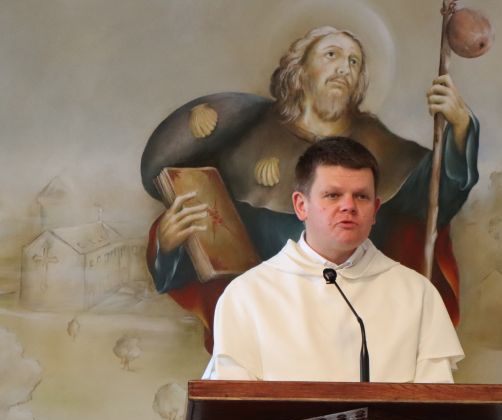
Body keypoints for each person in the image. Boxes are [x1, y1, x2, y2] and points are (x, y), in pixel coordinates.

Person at [140, 26, 479, 350]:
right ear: (299, 72)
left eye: (353, 62)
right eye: (331, 55)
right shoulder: (248, 138)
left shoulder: (382, 147)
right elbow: (212, 235)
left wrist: (461, 128)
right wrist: (169, 245)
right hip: (267, 328)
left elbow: (436, 199)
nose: (344, 68)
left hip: (356, 324)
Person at [203, 136, 464, 382]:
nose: (349, 206)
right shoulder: (247, 295)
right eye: (333, 195)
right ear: (301, 206)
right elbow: (229, 404)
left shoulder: (418, 295)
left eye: (361, 196)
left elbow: (435, 403)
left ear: (375, 210)